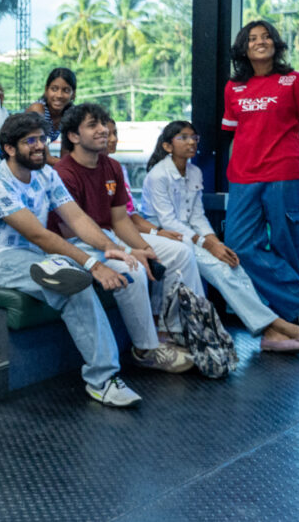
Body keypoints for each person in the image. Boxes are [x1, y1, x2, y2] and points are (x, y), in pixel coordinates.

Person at [0, 112, 149, 407]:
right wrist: (93, 265)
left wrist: (108, 246)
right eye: (30, 141)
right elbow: (40, 235)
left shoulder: (46, 174)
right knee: (73, 284)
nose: (40, 146)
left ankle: (105, 376)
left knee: (73, 275)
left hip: (33, 255)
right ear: (10, 148)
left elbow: (75, 217)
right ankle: (103, 381)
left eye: (42, 139)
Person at [142, 121, 299, 352]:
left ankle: (270, 331)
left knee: (233, 264)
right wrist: (207, 244)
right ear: (167, 146)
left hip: (190, 235)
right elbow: (169, 222)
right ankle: (276, 326)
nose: (191, 142)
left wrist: (216, 243)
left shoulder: (194, 171)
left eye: (194, 138)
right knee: (220, 269)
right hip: (165, 235)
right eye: (183, 138)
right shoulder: (158, 176)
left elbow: (197, 216)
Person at [46, 103, 196, 373]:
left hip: (108, 233)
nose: (104, 130)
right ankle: (145, 349)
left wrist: (145, 247)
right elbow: (72, 230)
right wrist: (126, 250)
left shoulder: (111, 166)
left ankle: (173, 331)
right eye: (94, 125)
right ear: (73, 136)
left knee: (178, 252)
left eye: (104, 124)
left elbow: (119, 219)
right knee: (132, 268)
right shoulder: (63, 174)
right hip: (74, 244)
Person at [220, 20, 299, 329]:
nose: (260, 41)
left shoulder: (296, 82)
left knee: (286, 243)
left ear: (276, 44)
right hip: (243, 177)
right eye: (252, 38)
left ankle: (291, 323)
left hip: (285, 175)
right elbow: (230, 132)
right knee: (239, 245)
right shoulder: (233, 88)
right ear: (244, 48)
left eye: (267, 36)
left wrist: (294, 156)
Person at [26, 67, 76, 163]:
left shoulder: (69, 114)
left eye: (66, 90)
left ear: (73, 94)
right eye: (54, 89)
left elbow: (65, 153)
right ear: (46, 90)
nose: (59, 95)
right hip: (22, 162)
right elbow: (45, 156)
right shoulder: (38, 109)